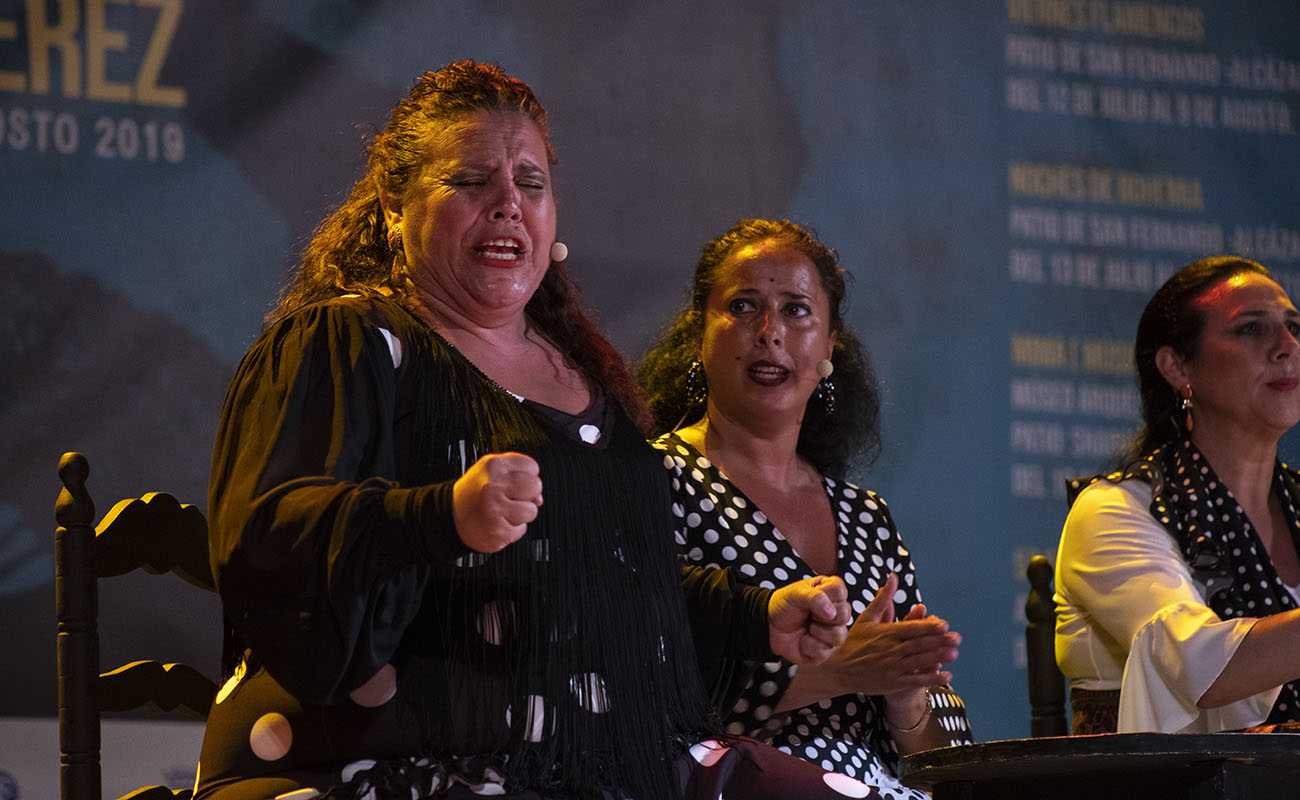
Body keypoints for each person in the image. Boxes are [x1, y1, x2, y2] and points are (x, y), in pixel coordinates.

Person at [193, 62, 880, 800]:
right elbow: (266, 535)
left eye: (530, 183)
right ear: (395, 201)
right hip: (393, 761)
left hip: (612, 764)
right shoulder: (348, 341)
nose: (508, 206)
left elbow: (603, 573)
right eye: (470, 181)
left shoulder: (585, 373)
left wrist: (756, 616)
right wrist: (442, 516)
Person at [638, 219, 971, 800]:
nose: (770, 333)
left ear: (829, 345)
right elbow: (636, 698)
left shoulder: (867, 516)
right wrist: (832, 674)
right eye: (743, 306)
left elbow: (945, 763)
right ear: (698, 331)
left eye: (796, 311)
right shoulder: (648, 479)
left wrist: (904, 698)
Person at [1056, 256, 1300, 734]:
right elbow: (1197, 665)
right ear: (1177, 367)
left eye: (1293, 327)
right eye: (1251, 328)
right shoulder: (1115, 511)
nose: (1286, 347)